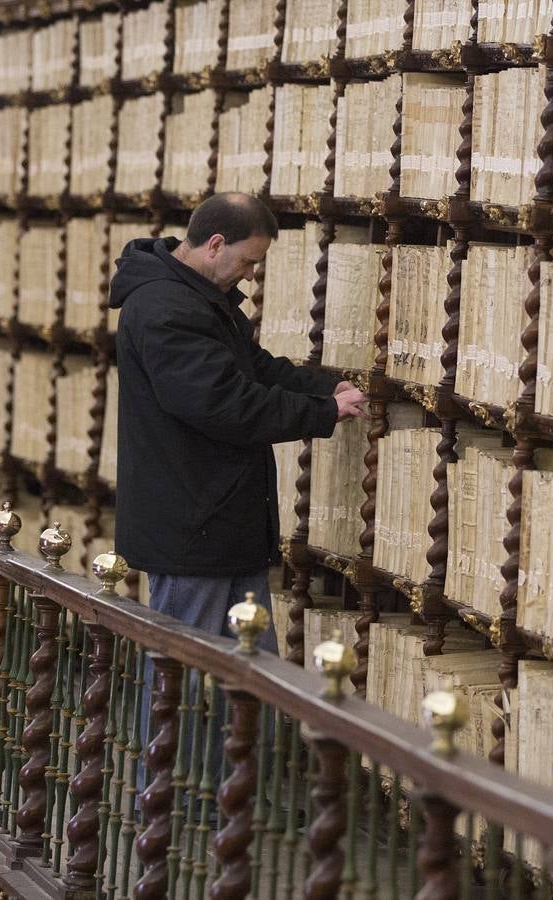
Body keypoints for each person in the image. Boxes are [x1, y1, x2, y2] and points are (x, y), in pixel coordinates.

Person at [107, 191, 367, 650]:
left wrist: (325, 388)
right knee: (182, 681)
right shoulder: (166, 309)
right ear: (215, 244)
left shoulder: (199, 297)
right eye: (247, 262)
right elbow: (223, 404)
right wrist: (322, 413)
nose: (251, 274)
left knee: (251, 679)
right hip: (191, 530)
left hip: (222, 524)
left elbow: (254, 367)